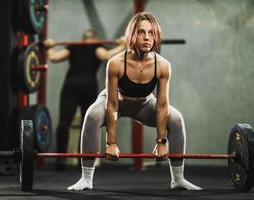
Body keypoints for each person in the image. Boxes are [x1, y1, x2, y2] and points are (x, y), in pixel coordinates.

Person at [67, 12, 202, 191]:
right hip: (116, 101)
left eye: (151, 33)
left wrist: (162, 141)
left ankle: (178, 179)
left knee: (176, 118)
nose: (147, 38)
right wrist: (111, 143)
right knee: (92, 115)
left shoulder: (162, 66)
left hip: (144, 105)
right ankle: (86, 178)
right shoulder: (115, 63)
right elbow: (112, 104)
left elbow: (162, 105)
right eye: (141, 32)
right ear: (131, 34)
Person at [44, 29, 126, 170]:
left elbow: (53, 57)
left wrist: (49, 46)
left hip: (71, 85)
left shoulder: (74, 46)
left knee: (65, 122)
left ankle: (61, 160)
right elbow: (107, 56)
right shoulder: (97, 47)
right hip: (88, 86)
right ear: (95, 38)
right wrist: (123, 44)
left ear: (83, 38)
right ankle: (82, 160)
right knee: (85, 124)